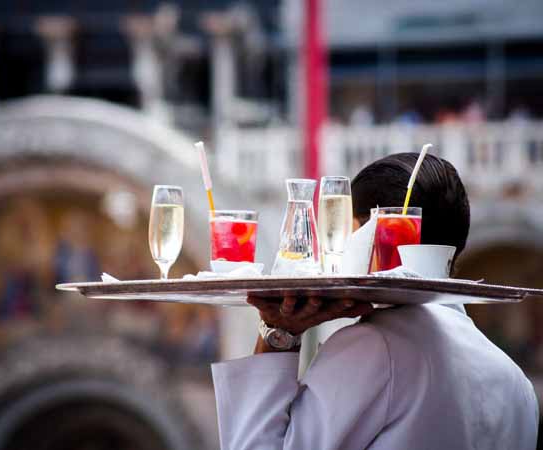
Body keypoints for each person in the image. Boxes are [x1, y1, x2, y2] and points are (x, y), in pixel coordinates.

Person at [211, 153, 539, 450]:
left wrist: (278, 335)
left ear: (377, 235)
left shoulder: (374, 348)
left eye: (347, 234)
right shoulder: (516, 383)